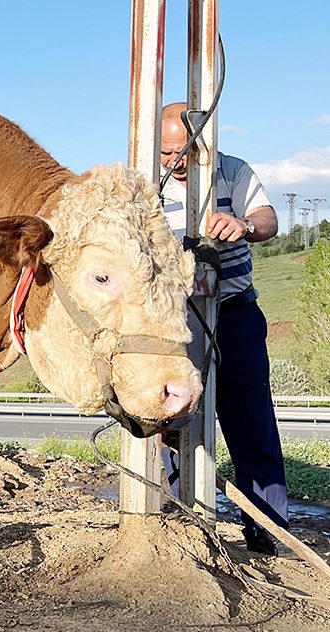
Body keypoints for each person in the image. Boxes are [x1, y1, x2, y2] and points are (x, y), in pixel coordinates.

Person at [158, 102, 288, 555]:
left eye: (183, 152)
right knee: (171, 421)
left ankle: (266, 529)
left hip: (234, 316)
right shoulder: (146, 189)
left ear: (204, 146)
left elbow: (269, 220)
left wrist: (243, 223)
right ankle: (181, 525)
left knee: (250, 421)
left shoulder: (234, 172)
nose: (174, 163)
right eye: (165, 154)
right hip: (174, 323)